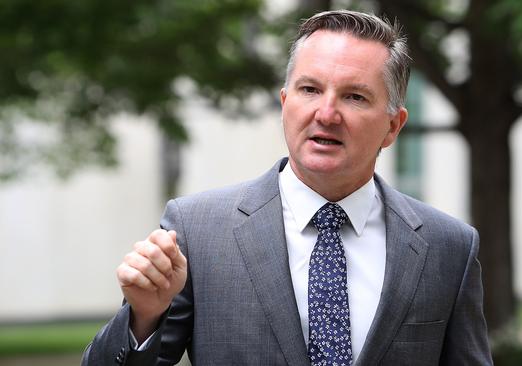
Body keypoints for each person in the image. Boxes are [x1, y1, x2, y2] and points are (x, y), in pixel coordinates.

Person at [82, 9, 493, 366]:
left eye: (354, 96)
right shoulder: (198, 231)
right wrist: (143, 318)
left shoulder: (448, 248)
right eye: (310, 89)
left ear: (392, 126)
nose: (326, 113)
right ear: (285, 102)